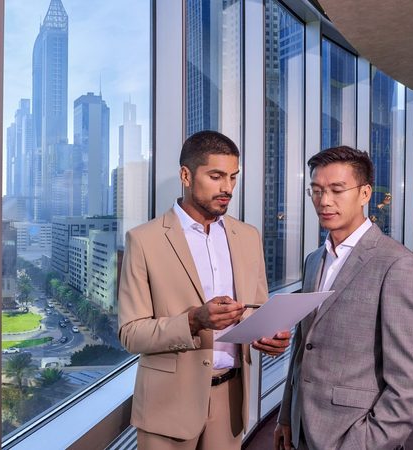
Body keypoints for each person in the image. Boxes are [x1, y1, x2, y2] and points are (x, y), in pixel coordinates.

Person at [118, 130, 290, 450]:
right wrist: (194, 320)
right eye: (216, 176)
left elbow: (258, 310)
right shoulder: (143, 240)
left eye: (233, 177)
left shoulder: (248, 236)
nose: (227, 188)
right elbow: (131, 334)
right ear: (186, 174)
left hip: (230, 402)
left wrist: (269, 337)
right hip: (167, 406)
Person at [274, 146, 413, 450]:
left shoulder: (399, 266)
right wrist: (286, 417)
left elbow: (410, 382)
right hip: (301, 428)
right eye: (316, 190)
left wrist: (364, 443)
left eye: (337, 189)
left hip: (353, 435)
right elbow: (302, 347)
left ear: (364, 194)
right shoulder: (314, 260)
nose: (324, 201)